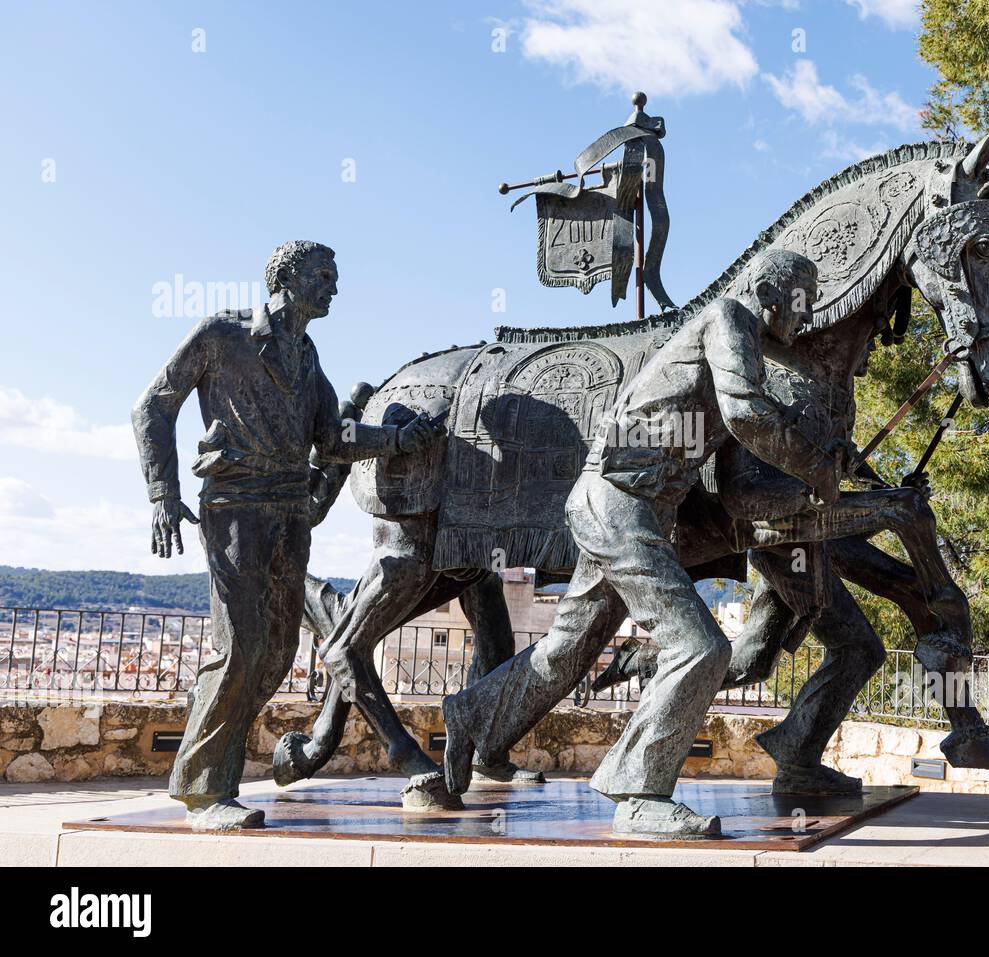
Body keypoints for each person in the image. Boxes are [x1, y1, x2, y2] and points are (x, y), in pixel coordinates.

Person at [442, 248, 842, 838]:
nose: (810, 318)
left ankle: (471, 711)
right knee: (701, 648)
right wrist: (814, 467)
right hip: (621, 508)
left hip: (624, 510)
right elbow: (749, 415)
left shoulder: (735, 350)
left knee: (564, 653)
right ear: (774, 290)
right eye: (807, 298)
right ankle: (638, 791)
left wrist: (830, 465)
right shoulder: (730, 318)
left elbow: (741, 465)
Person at [132, 241, 439, 830]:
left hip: (290, 510)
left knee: (273, 654)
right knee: (241, 646)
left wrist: (397, 442)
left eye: (335, 277)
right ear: (287, 275)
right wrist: (161, 494)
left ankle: (203, 770)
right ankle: (203, 791)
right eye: (323, 275)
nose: (333, 287)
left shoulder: (306, 351)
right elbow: (153, 405)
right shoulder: (224, 334)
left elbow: (332, 437)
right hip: (236, 504)